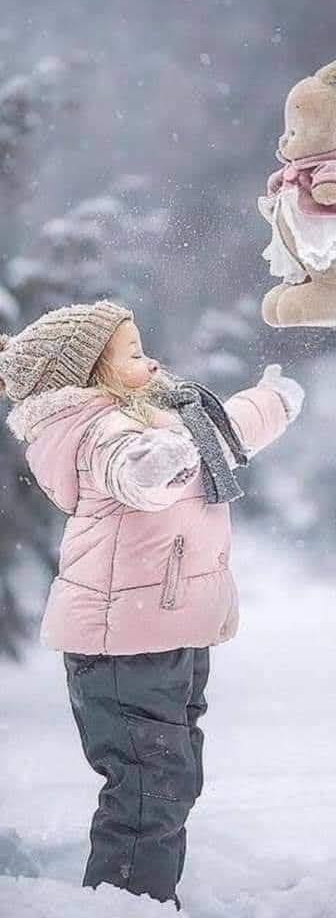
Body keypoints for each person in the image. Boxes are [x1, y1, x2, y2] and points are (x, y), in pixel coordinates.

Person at [0, 299, 304, 911]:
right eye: (134, 354)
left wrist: (271, 402)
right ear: (90, 374)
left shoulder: (157, 419)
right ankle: (125, 903)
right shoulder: (98, 431)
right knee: (148, 791)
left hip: (164, 632)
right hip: (123, 645)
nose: (153, 361)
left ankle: (143, 897)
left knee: (170, 780)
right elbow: (138, 474)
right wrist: (172, 448)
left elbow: (219, 433)